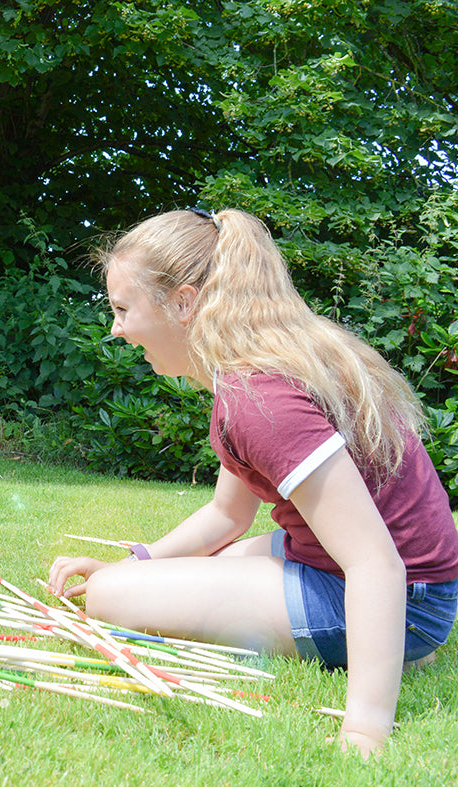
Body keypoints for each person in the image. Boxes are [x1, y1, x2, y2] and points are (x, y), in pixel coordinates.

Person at [47, 208, 458, 758]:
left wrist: (365, 728)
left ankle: (400, 640)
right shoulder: (258, 375)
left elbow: (374, 562)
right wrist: (138, 562)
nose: (116, 328)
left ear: (185, 303)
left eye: (123, 309)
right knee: (186, 570)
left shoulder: (259, 401)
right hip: (417, 589)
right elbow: (227, 516)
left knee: (107, 598)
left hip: (400, 591)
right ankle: (408, 639)